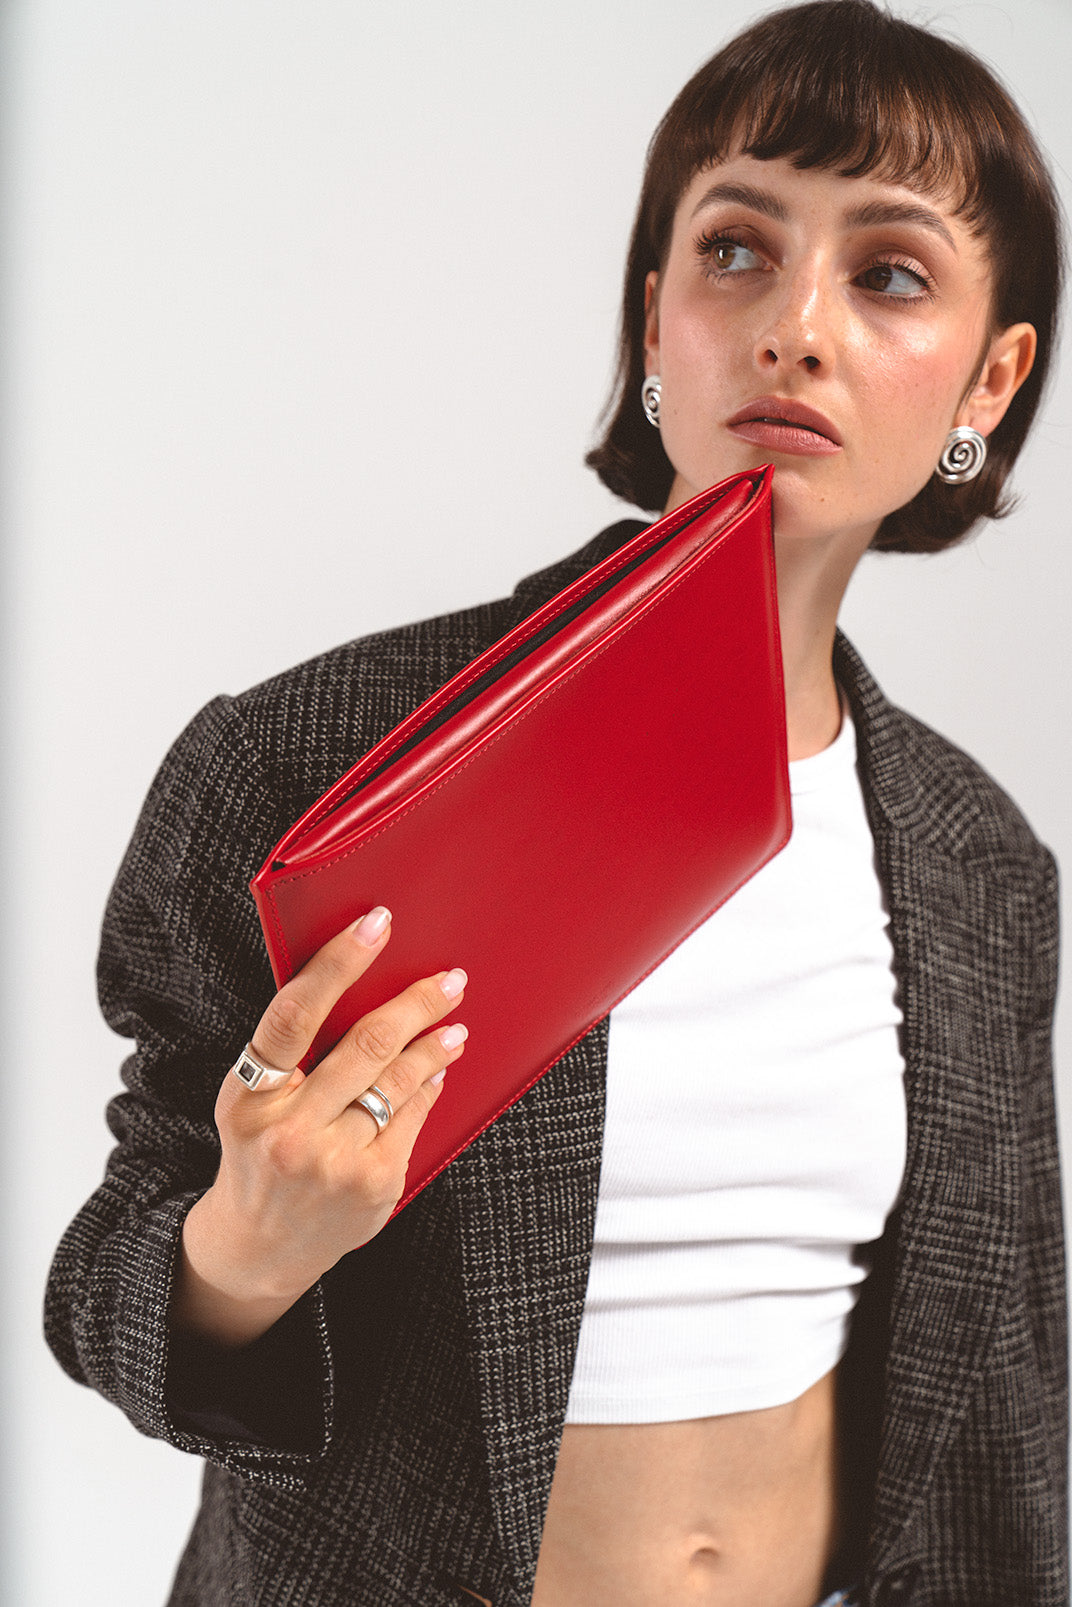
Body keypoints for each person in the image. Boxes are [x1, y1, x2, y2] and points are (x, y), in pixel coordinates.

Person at [45, 2, 1066, 1604]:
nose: (796, 327)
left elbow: (1000, 1382)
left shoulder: (980, 862)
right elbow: (108, 1287)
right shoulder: (317, 759)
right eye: (736, 251)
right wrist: (246, 1248)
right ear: (658, 318)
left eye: (888, 274)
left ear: (989, 379)